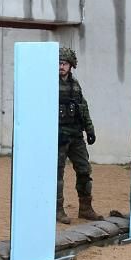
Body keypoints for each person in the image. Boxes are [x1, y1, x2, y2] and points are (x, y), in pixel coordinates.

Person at [57, 47, 102, 224]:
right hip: (59, 136)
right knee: (57, 174)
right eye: (59, 63)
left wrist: (89, 129)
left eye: (64, 63)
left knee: (84, 170)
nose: (61, 66)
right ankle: (58, 210)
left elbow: (83, 108)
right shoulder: (48, 83)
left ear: (71, 65)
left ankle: (85, 208)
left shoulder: (75, 84)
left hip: (76, 135)